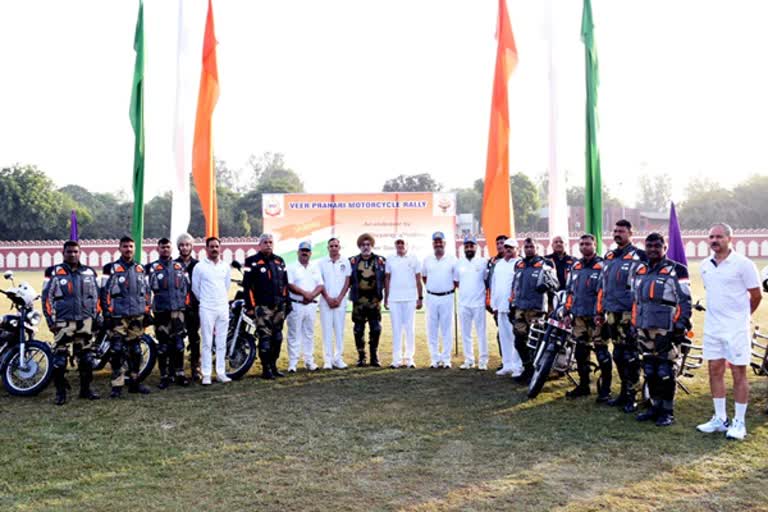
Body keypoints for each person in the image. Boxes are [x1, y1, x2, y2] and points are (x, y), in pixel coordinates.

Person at [696, 223, 762, 440]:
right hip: (713, 326)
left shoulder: (744, 264)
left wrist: (743, 317)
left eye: (719, 236)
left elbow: (756, 295)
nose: (714, 240)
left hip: (736, 329)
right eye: (711, 236)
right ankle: (720, 418)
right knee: (714, 369)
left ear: (729, 239)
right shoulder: (705, 265)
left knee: (738, 372)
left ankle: (739, 423)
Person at [632, 233, 692, 427]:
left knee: (665, 370)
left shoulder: (677, 270)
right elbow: (636, 301)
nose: (652, 249)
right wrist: (634, 324)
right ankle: (654, 406)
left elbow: (685, 300)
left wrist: (679, 326)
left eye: (657, 246)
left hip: (666, 329)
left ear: (665, 247)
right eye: (649, 246)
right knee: (649, 370)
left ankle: (667, 411)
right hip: (644, 327)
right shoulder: (640, 270)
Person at [596, 219, 647, 409]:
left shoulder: (640, 256)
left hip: (629, 313)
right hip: (611, 312)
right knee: (617, 353)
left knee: (631, 355)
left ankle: (633, 394)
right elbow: (603, 286)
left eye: (622, 231)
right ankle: (624, 392)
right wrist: (600, 309)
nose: (617, 234)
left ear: (630, 233)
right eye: (615, 230)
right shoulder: (609, 256)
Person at [42, 240, 101, 405]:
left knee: (87, 359)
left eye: (76, 251)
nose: (73, 254)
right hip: (63, 322)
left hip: (85, 322)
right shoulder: (54, 272)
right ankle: (60, 393)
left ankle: (85, 390)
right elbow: (47, 298)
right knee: (60, 361)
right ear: (63, 253)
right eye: (69, 252)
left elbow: (96, 298)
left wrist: (96, 317)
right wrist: (50, 320)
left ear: (80, 253)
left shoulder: (89, 272)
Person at [101, 236, 152, 398]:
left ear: (134, 248)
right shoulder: (111, 268)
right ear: (119, 248)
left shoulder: (140, 269)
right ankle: (117, 384)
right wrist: (107, 314)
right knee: (116, 351)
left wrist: (147, 311)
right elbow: (104, 293)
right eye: (125, 247)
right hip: (118, 316)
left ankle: (135, 383)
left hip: (136, 316)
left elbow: (147, 292)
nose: (128, 249)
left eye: (131, 246)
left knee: (136, 351)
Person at [563, 234, 605, 399]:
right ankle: (584, 385)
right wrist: (567, 312)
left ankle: (605, 389)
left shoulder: (602, 266)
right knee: (580, 352)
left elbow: (604, 292)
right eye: (581, 244)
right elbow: (570, 292)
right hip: (578, 316)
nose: (584, 247)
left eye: (588, 244)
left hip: (596, 317)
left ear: (594, 245)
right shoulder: (576, 266)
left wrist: (600, 313)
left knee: (601, 352)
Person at [511, 238, 559, 384]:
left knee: (536, 343)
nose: (529, 249)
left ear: (537, 247)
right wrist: (512, 304)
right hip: (520, 308)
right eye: (527, 247)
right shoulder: (519, 264)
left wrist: (547, 285)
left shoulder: (546, 264)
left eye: (532, 246)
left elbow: (555, 283)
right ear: (523, 248)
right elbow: (515, 286)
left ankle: (538, 373)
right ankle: (528, 369)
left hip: (537, 309)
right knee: (519, 341)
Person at [243, 233, 291, 379]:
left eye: (270, 242)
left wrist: (286, 303)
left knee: (277, 338)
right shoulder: (251, 262)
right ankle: (266, 369)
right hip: (262, 307)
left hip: (278, 307)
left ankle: (274, 365)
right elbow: (247, 287)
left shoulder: (279, 261)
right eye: (265, 242)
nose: (268, 244)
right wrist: (251, 306)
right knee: (265, 338)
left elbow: (285, 284)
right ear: (260, 244)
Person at [148, 237, 190, 389]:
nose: (165, 249)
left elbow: (186, 287)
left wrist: (183, 304)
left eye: (168, 247)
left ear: (172, 249)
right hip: (161, 312)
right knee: (163, 346)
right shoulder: (152, 268)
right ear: (157, 249)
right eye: (162, 247)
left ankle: (179, 373)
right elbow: (147, 291)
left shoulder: (179, 267)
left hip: (178, 311)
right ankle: (164, 375)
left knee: (179, 344)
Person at [190, 237, 232, 386]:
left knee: (221, 341)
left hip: (222, 306)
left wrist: (219, 300)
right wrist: (207, 301)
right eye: (211, 247)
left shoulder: (225, 266)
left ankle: (221, 372)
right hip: (206, 307)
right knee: (207, 341)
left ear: (220, 248)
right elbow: (195, 288)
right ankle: (206, 374)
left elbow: (226, 286)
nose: (214, 249)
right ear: (206, 249)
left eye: (216, 246)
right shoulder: (200, 267)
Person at [384, 235, 423, 368]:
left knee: (409, 329)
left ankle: (409, 358)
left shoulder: (414, 258)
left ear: (407, 245)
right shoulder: (390, 259)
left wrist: (420, 297)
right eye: (398, 243)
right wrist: (386, 297)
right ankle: (396, 359)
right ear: (395, 245)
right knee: (396, 329)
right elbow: (387, 279)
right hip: (394, 299)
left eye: (402, 243)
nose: (400, 246)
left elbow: (418, 279)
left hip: (410, 298)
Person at [348, 233, 387, 367]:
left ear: (372, 246)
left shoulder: (380, 260)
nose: (366, 247)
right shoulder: (353, 261)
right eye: (363, 245)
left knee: (376, 328)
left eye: (368, 244)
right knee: (358, 329)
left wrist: (385, 297)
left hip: (374, 301)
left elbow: (386, 279)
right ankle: (361, 356)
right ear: (360, 246)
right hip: (358, 301)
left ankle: (374, 356)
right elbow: (347, 279)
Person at [422, 231, 458, 368]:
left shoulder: (452, 259)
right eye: (435, 242)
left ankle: (446, 359)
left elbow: (456, 279)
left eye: (440, 241)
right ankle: (434, 358)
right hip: (431, 297)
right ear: (433, 244)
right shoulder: (427, 259)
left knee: (446, 329)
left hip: (447, 296)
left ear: (445, 243)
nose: (438, 244)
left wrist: (446, 289)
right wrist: (434, 288)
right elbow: (424, 277)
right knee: (432, 329)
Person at [286, 241, 324, 372]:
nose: (304, 253)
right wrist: (305, 294)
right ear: (298, 252)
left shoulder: (315, 267)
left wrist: (311, 296)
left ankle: (309, 362)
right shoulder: (291, 267)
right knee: (294, 334)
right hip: (296, 305)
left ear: (310, 253)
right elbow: (290, 285)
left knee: (309, 334)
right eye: (302, 250)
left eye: (307, 251)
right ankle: (293, 364)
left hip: (311, 305)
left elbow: (320, 285)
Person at [490, 238, 523, 376]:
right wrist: (494, 304)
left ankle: (517, 366)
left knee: (516, 337)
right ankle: (507, 364)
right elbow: (494, 285)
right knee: (504, 337)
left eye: (511, 247)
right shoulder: (499, 264)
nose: (508, 249)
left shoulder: (520, 264)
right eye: (506, 247)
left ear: (517, 249)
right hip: (500, 306)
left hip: (513, 307)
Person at [456, 235, 489, 370]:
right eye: (467, 246)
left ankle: (483, 361)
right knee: (466, 334)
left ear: (476, 247)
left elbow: (486, 281)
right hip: (464, 304)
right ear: (464, 248)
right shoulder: (459, 263)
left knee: (481, 333)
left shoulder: (483, 262)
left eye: (472, 246)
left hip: (479, 304)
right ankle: (469, 360)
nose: (469, 248)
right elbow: (457, 282)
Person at [318, 238, 351, 369]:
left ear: (339, 247)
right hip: (326, 302)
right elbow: (320, 283)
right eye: (331, 246)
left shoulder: (346, 262)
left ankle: (338, 359)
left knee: (339, 331)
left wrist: (339, 298)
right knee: (327, 331)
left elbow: (347, 282)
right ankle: (327, 360)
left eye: (336, 245)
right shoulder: (322, 263)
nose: (334, 248)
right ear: (328, 248)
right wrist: (328, 298)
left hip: (340, 303)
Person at [175, 232, 202, 381]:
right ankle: (177, 369)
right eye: (182, 245)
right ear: (178, 247)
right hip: (178, 307)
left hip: (194, 306)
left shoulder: (198, 265)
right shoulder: (174, 265)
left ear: (192, 246)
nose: (185, 248)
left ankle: (195, 367)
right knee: (177, 337)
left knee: (194, 338)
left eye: (187, 245)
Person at [486, 235, 509, 367]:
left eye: (502, 243)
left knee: (514, 333)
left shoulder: (515, 261)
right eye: (498, 243)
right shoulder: (492, 262)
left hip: (511, 304)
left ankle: (518, 361)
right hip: (496, 303)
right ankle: (504, 360)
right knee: (501, 332)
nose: (500, 246)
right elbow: (488, 282)